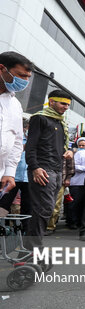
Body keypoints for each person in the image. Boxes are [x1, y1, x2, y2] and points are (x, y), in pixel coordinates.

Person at [24, 89, 73, 250]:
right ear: (51, 101)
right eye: (62, 103)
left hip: (57, 171)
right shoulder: (40, 118)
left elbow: (59, 146)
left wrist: (68, 151)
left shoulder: (60, 122)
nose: (66, 107)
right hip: (43, 170)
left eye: (68, 105)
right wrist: (35, 168)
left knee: (47, 210)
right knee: (43, 209)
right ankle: (33, 250)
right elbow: (30, 147)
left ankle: (30, 250)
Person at [0, 52, 32, 200]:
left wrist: (9, 171)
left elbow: (16, 141)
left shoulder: (14, 104)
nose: (25, 81)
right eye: (21, 75)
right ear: (2, 69)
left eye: (27, 77)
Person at [0, 118, 31, 217]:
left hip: (28, 178)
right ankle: (3, 225)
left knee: (27, 205)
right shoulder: (11, 138)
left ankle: (26, 229)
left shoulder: (33, 139)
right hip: (12, 176)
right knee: (4, 203)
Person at [65, 137, 85, 230]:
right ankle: (72, 222)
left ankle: (79, 221)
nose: (81, 147)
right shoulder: (78, 154)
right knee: (74, 203)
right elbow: (74, 166)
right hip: (76, 182)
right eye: (80, 145)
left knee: (83, 204)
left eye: (83, 145)